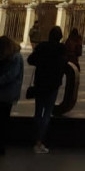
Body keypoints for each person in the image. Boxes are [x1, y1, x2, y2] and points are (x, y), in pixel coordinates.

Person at [27, 25, 66, 154]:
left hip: (40, 83)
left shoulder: (42, 47)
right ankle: (40, 141)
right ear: (60, 37)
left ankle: (34, 140)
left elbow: (30, 60)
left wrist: (41, 62)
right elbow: (64, 64)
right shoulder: (61, 49)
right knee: (47, 114)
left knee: (38, 112)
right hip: (53, 84)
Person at [0, 35, 25, 158]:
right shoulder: (12, 56)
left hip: (6, 93)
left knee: (3, 120)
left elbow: (11, 75)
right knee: (3, 119)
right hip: (8, 93)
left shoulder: (14, 58)